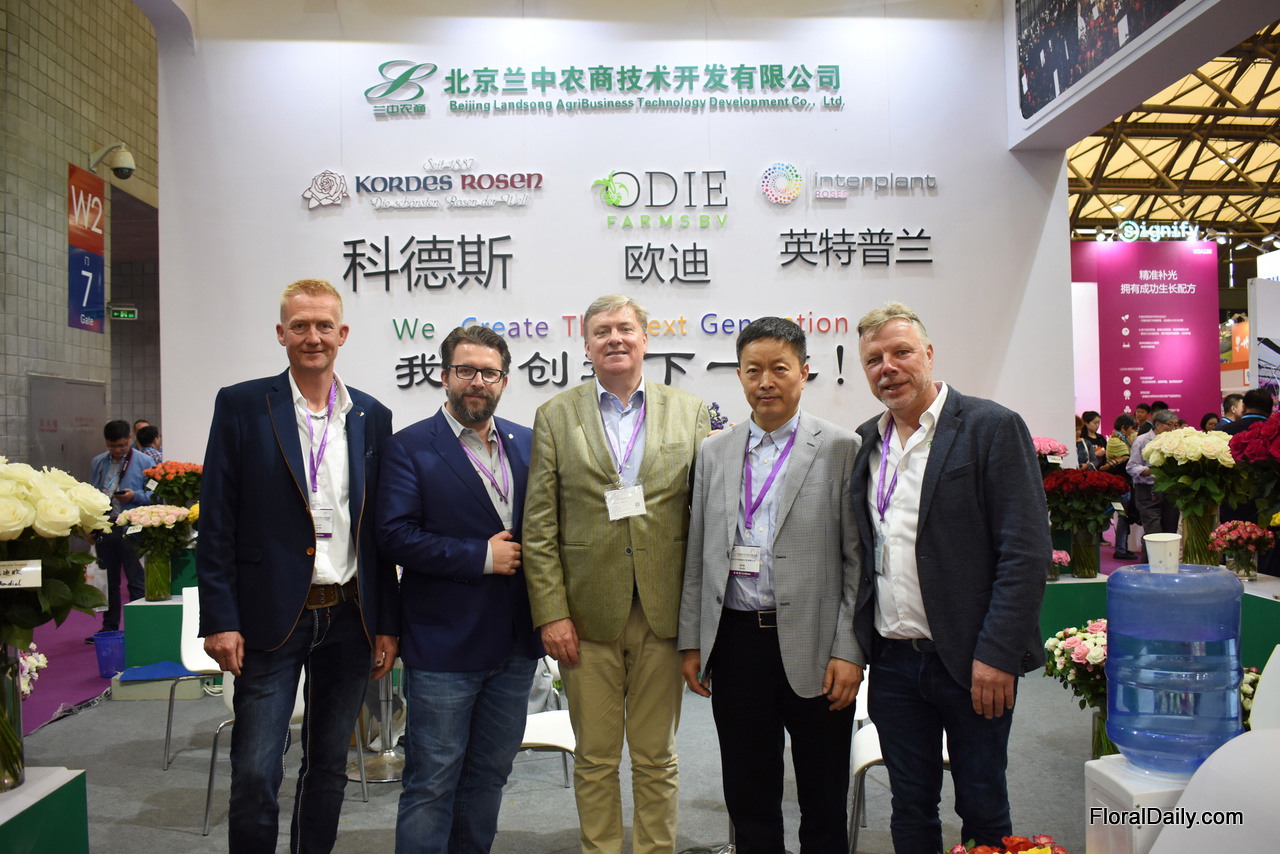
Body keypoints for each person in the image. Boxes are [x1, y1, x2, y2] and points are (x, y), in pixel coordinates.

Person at [197, 278, 398, 854]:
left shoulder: (371, 415)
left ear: (343, 333)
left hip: (349, 616)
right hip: (269, 618)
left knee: (329, 767)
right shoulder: (242, 405)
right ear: (281, 333)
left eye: (324, 326)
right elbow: (218, 518)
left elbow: (377, 533)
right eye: (300, 326)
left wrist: (387, 622)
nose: (313, 337)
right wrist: (221, 618)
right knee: (256, 770)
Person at [850, 302, 1049, 854]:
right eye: (873, 360)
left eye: (901, 352)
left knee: (983, 804)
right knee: (910, 806)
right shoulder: (867, 441)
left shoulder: (991, 427)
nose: (888, 367)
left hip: (972, 661)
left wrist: (998, 654)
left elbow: (1025, 551)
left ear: (929, 354)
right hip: (893, 662)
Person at [524, 294, 710, 854]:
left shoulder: (689, 411)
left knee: (657, 757)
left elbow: (703, 521)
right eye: (602, 331)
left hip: (662, 615)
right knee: (595, 758)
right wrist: (551, 613)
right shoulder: (556, 415)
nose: (615, 339)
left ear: (645, 339)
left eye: (625, 328)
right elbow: (540, 526)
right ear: (586, 344)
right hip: (585, 618)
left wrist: (699, 621)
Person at [678, 317, 862, 852]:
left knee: (823, 793)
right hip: (736, 643)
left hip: (817, 644)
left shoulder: (841, 447)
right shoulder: (714, 451)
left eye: (779, 369)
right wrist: (692, 641)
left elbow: (856, 560)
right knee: (748, 791)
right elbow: (698, 552)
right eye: (753, 370)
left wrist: (849, 650)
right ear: (739, 375)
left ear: (803, 372)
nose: (765, 382)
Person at [377, 325, 543, 854]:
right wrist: (480, 557)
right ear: (445, 376)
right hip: (443, 644)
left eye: (489, 372)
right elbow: (394, 536)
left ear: (504, 380)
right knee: (431, 781)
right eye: (466, 370)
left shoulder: (528, 443)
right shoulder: (409, 447)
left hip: (514, 644)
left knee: (490, 774)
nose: (478, 382)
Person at [86, 419, 153, 642]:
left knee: (136, 580)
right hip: (105, 526)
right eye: (112, 446)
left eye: (122, 445)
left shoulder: (145, 461)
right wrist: (90, 525)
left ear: (131, 439)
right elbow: (90, 494)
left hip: (132, 526)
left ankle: (139, 627)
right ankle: (109, 627)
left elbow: (155, 494)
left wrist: (135, 496)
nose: (117, 450)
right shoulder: (98, 462)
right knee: (109, 580)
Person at [1127, 409, 1181, 543]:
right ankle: (1149, 557)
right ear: (1158, 425)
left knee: (1170, 533)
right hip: (1148, 491)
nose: (1174, 428)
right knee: (1153, 534)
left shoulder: (1176, 441)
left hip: (1170, 492)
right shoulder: (1142, 440)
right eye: (1170, 424)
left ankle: (1167, 558)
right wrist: (1151, 470)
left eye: (1176, 425)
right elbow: (1131, 467)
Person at [1107, 414, 1139, 560]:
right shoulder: (1116, 442)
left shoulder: (1120, 440)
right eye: (1131, 428)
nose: (1132, 432)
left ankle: (1122, 547)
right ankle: (1120, 549)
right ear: (1123, 428)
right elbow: (1128, 461)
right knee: (1123, 516)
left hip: (1123, 482)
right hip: (1121, 483)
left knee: (1124, 516)